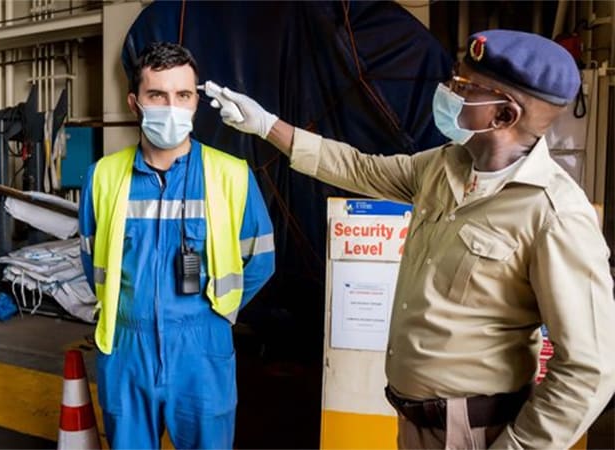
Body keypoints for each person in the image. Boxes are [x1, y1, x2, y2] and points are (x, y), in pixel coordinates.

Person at [205, 29, 615, 449]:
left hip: (477, 434)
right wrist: (267, 125)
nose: (447, 92)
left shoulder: (554, 214)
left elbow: (588, 370)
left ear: (503, 116)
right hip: (414, 423)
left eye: (463, 87)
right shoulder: (445, 166)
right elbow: (361, 169)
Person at [79, 42, 275, 449]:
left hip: (203, 350)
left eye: (183, 96)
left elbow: (259, 260)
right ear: (135, 102)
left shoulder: (231, 175)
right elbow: (93, 261)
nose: (172, 107)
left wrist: (216, 314)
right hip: (127, 348)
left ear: (195, 102)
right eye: (157, 95)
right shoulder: (103, 177)